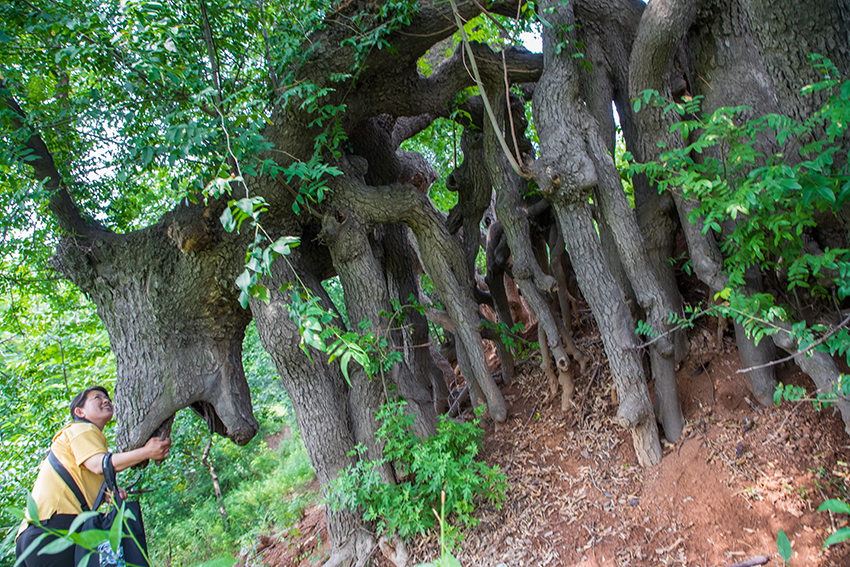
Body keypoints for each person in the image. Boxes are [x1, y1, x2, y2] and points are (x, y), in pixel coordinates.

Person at [15, 386, 172, 567]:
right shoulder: (82, 429)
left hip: (32, 535)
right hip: (55, 530)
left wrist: (105, 494)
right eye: (97, 397)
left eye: (107, 398)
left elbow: (74, 480)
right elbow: (99, 465)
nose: (106, 400)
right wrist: (146, 452)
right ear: (79, 412)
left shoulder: (78, 441)